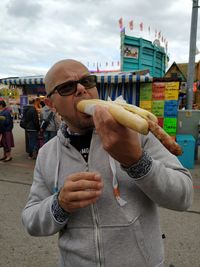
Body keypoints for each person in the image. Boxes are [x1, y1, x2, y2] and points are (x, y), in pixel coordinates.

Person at [22, 59, 193, 267]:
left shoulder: (135, 133)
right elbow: (30, 220)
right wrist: (60, 204)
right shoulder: (46, 154)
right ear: (51, 104)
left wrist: (137, 161)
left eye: (87, 81)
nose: (81, 89)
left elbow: (184, 196)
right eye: (67, 87)